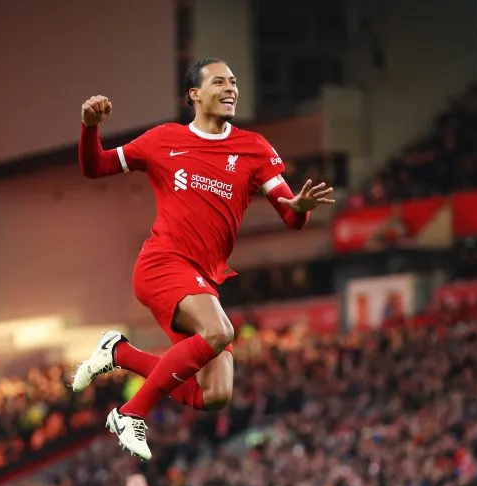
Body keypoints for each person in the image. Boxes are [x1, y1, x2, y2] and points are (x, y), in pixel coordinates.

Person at [73, 57, 335, 459]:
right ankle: (129, 413)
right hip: (162, 265)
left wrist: (298, 205)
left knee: (215, 395)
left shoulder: (254, 148)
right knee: (219, 332)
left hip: (202, 282)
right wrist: (90, 128)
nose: (230, 88)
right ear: (194, 94)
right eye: (219, 82)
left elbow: (292, 218)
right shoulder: (163, 139)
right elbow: (96, 167)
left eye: (233, 81)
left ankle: (118, 353)